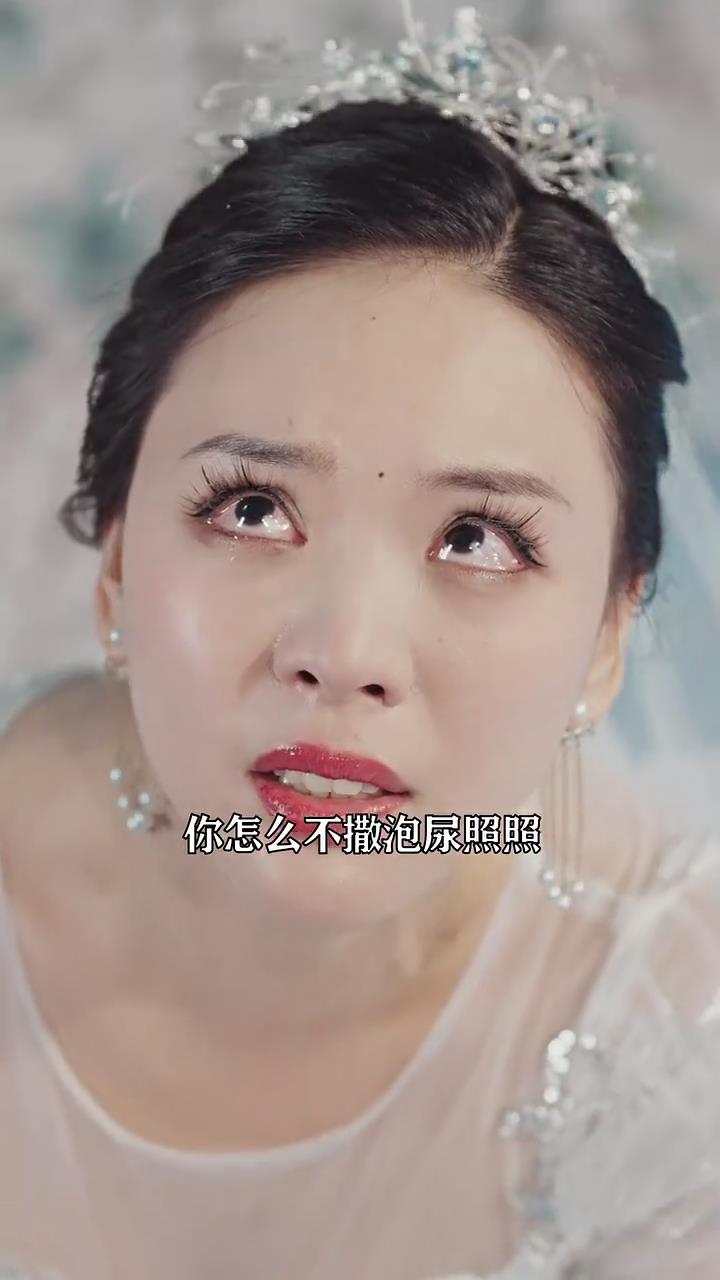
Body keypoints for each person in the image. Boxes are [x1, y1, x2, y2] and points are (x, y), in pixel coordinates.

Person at [0, 11, 718, 1279]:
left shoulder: (678, 1035)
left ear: (610, 635)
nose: (344, 652)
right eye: (253, 508)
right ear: (113, 565)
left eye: (479, 537)